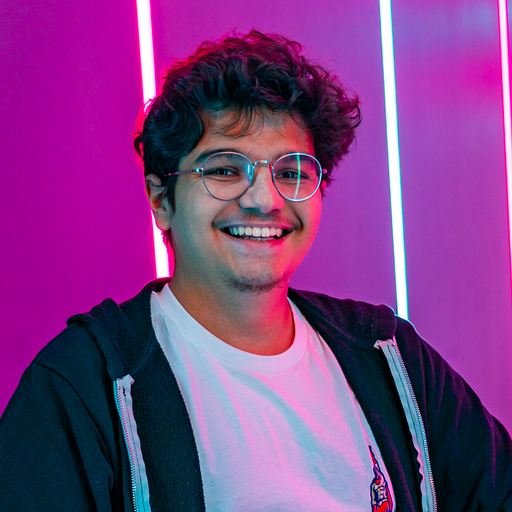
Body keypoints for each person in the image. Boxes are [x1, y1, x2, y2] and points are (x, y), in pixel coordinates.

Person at [0, 31, 511, 512]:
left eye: (290, 172)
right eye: (225, 169)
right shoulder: (86, 383)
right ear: (161, 199)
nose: (265, 199)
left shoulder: (389, 357)